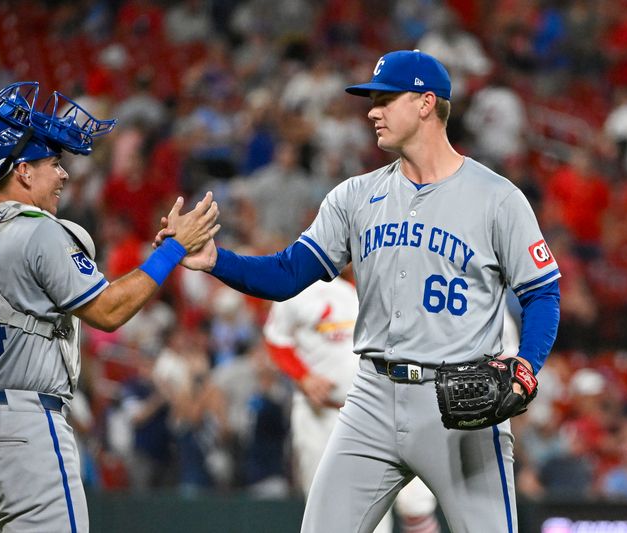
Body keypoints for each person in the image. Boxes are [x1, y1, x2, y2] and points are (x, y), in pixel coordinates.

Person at [156, 50, 560, 532]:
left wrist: (526, 366)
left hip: (460, 405)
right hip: (370, 396)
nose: (372, 110)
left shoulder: (497, 198)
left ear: (427, 103)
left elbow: (543, 293)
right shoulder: (354, 196)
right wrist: (216, 260)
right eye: (372, 100)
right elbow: (288, 274)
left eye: (386, 99)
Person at [0, 81, 219, 532]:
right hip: (27, 428)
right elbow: (109, 311)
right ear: (22, 171)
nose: (63, 175)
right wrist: (172, 250)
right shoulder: (43, 232)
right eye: (53, 164)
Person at [263, 267, 440, 533]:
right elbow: (277, 338)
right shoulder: (302, 285)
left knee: (407, 506)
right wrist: (303, 376)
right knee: (325, 512)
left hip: (379, 409)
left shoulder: (389, 276)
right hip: (320, 415)